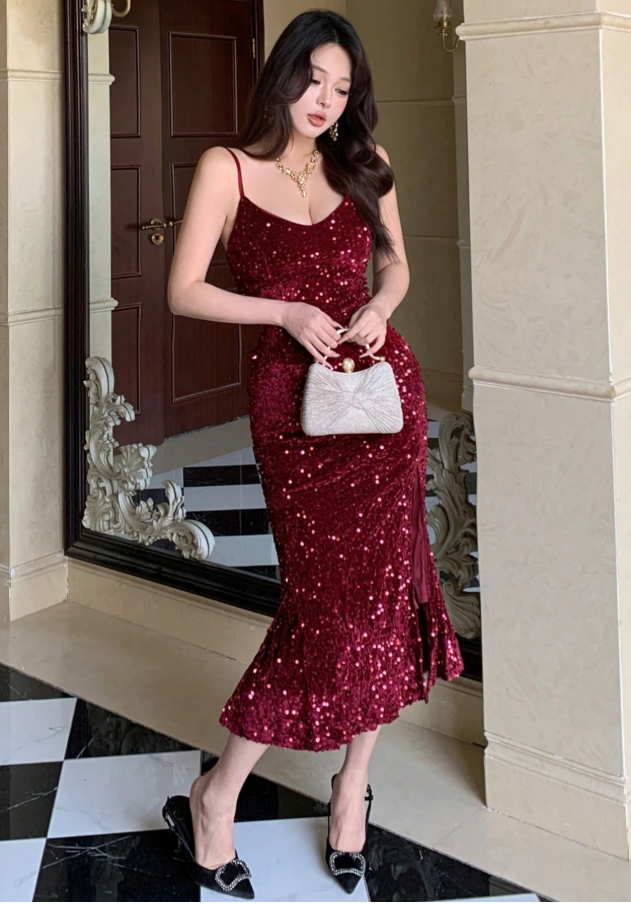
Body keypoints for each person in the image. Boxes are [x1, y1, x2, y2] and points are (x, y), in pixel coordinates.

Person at [161, 9, 464, 899]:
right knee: (323, 607)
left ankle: (350, 790)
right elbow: (183, 290)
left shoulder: (364, 162)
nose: (325, 100)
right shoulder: (226, 168)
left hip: (380, 399)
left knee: (385, 595)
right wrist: (286, 313)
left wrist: (379, 308)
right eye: (313, 79)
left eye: (341, 87)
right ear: (282, 75)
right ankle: (216, 796)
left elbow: (396, 265)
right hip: (292, 412)